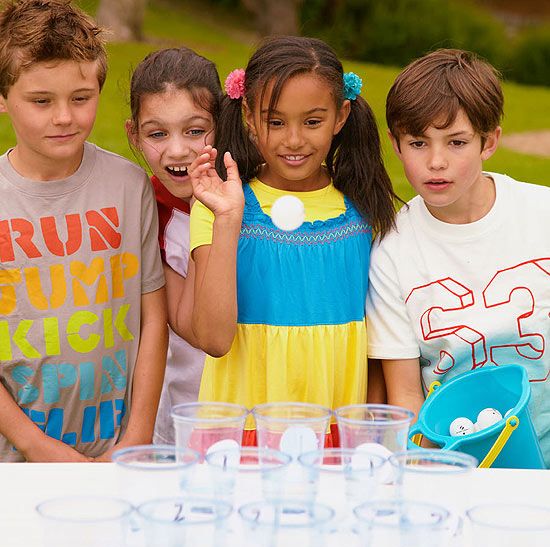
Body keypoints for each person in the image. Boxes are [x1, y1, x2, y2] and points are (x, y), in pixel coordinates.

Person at [189, 35, 398, 444]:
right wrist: (229, 220)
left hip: (336, 431)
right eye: (276, 121)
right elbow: (214, 339)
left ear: (341, 116)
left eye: (313, 121)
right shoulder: (218, 207)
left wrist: (365, 436)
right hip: (242, 429)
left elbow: (378, 343)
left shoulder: (364, 212)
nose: (294, 140)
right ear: (248, 116)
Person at [0, 0, 167, 462]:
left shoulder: (129, 187)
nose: (64, 117)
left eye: (80, 97)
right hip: (17, 463)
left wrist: (138, 437)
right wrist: (37, 446)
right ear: (2, 97)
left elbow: (153, 318)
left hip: (119, 451)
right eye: (40, 101)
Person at [366, 49, 550, 463]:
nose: (435, 161)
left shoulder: (543, 215)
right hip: (454, 466)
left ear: (490, 141)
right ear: (395, 145)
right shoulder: (391, 252)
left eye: (457, 142)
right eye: (417, 142)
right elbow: (407, 396)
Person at [126, 47, 223, 444]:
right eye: (157, 134)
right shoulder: (148, 211)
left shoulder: (253, 202)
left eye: (195, 130)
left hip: (257, 409)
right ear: (134, 134)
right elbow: (199, 330)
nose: (178, 150)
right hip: (181, 421)